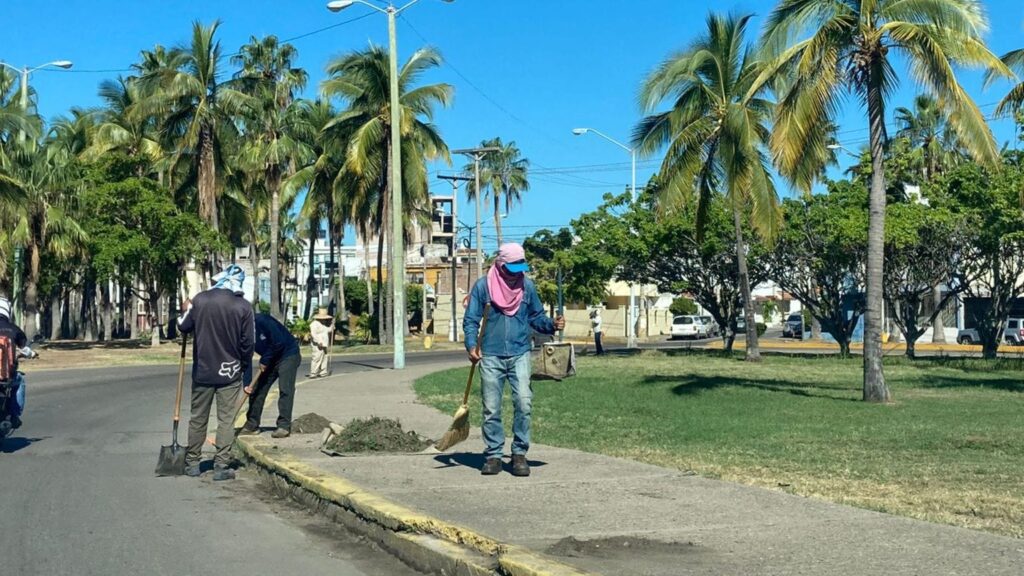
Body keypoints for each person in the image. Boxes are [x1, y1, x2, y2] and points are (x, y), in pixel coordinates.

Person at [463, 243, 565, 477]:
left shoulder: (527, 287)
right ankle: (494, 455)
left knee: (524, 402)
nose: (517, 272)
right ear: (500, 264)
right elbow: (470, 321)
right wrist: (471, 345)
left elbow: (536, 317)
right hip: (490, 355)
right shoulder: (483, 287)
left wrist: (551, 324)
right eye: (512, 267)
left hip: (520, 353)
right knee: (491, 408)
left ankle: (519, 453)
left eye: (520, 267)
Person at [177, 265, 254, 481]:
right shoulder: (243, 306)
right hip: (230, 372)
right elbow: (248, 343)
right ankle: (221, 465)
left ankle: (192, 463)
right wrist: (244, 363)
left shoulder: (200, 300)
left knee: (197, 418)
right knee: (226, 420)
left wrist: (185, 310)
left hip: (203, 371)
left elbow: (182, 327)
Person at [240, 313, 301, 439]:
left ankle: (284, 426)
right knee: (257, 390)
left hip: (288, 354)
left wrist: (265, 360)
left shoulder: (263, 320)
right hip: (270, 359)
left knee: (285, 389)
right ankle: (252, 424)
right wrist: (246, 385)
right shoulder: (240, 334)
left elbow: (278, 342)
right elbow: (245, 359)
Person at [0, 297, 34, 430]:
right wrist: (31, 353)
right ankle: (14, 415)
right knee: (20, 380)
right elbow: (25, 348)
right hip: (5, 376)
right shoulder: (13, 329)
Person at [307, 308, 333, 378]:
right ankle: (313, 373)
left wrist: (332, 325)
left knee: (324, 357)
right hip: (318, 343)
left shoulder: (323, 324)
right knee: (316, 358)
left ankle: (323, 372)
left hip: (324, 343)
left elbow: (327, 330)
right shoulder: (314, 324)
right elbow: (313, 334)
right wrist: (318, 342)